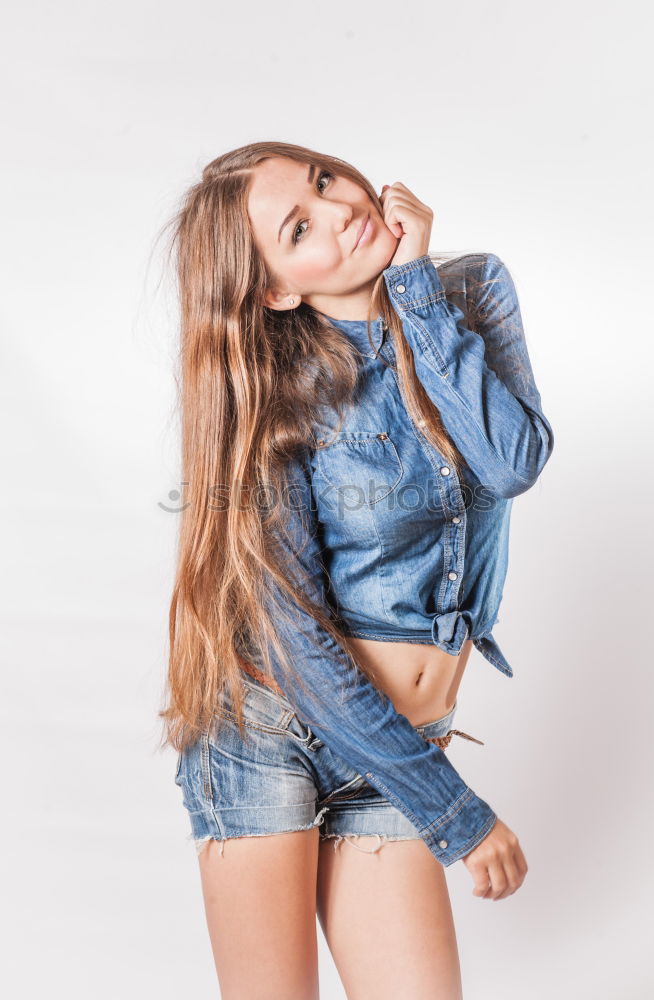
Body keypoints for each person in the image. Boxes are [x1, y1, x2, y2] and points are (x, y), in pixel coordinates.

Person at [159, 140, 555, 999]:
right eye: (301, 226)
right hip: (271, 735)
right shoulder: (273, 385)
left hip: (398, 746)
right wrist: (456, 814)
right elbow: (294, 638)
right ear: (276, 289)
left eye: (324, 179)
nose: (341, 209)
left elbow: (511, 461)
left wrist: (413, 292)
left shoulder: (467, 290)